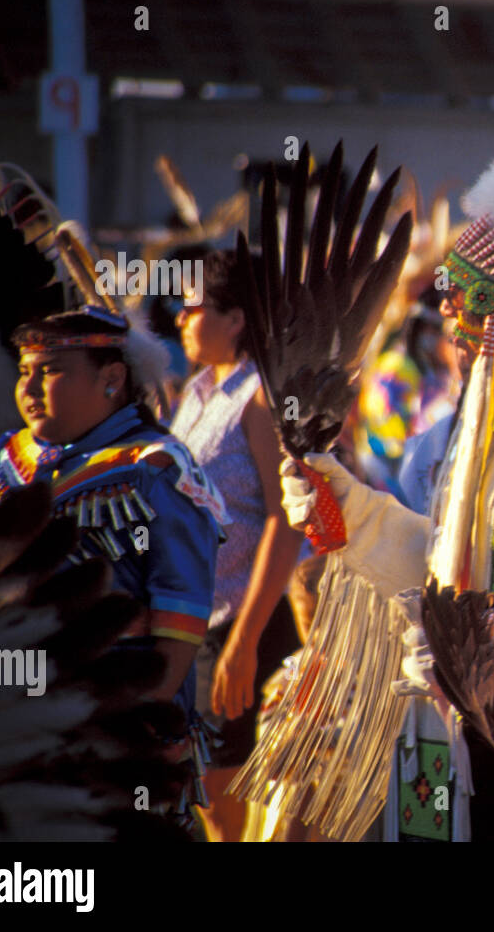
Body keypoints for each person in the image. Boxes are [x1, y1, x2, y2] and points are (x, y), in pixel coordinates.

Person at [256, 83, 494, 841]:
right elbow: (450, 576)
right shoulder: (484, 406)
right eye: (454, 304)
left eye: (476, 302)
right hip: (464, 717)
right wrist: (353, 509)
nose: (456, 325)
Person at [0, 307, 224, 710]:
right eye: (25, 371)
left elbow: (181, 604)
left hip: (116, 713)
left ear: (112, 378)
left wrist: (152, 712)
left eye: (50, 371)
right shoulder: (13, 459)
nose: (29, 389)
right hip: (12, 712)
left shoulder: (152, 467)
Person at [171, 249, 306, 842]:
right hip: (194, 622)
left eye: (194, 307)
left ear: (236, 320)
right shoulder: (198, 393)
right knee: (205, 798)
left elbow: (286, 519)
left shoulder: (258, 397)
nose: (179, 317)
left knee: (235, 812)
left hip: (244, 621)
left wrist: (245, 643)